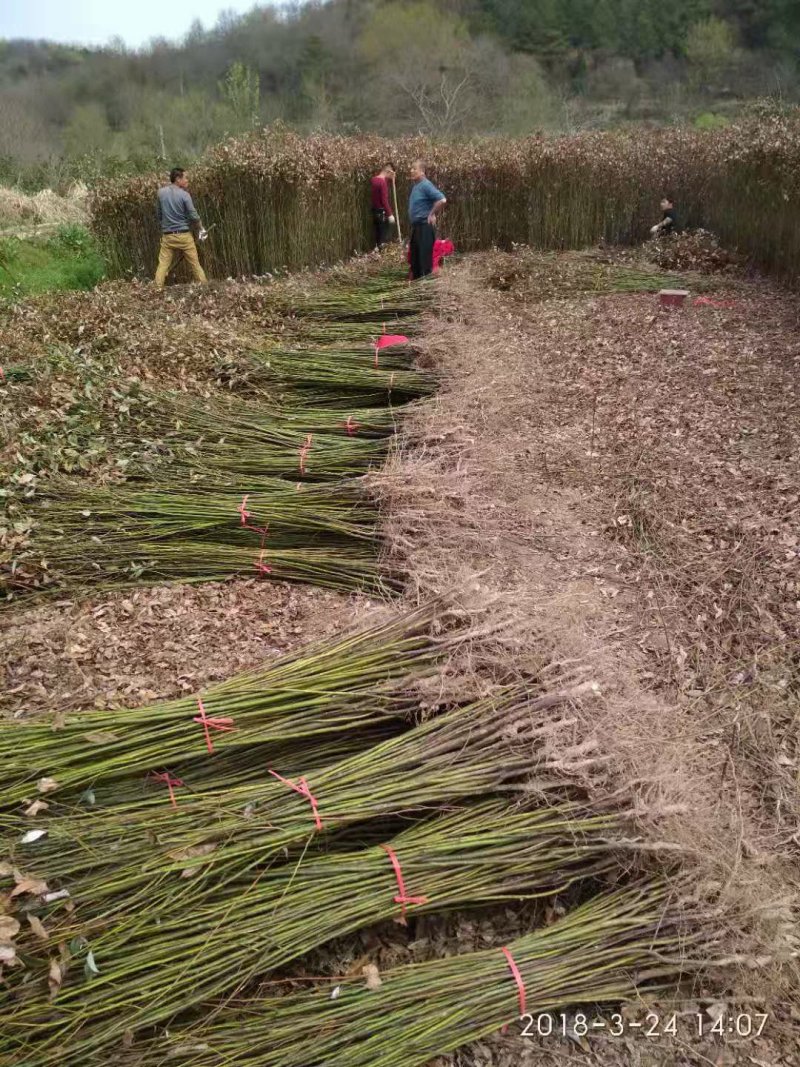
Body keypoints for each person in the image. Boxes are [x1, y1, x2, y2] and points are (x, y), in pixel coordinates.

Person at [155, 168, 208, 287]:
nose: (187, 180)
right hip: (184, 236)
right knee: (195, 264)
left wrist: (164, 228)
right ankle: (204, 287)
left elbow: (158, 215)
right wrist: (201, 228)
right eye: (185, 178)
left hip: (168, 237)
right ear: (178, 179)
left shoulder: (161, 193)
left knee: (163, 265)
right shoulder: (185, 195)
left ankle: (156, 290)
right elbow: (193, 215)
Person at [408, 160, 447, 280]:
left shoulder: (426, 185)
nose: (411, 171)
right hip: (417, 228)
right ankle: (417, 288)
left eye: (414, 168)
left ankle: (426, 291)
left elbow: (442, 199)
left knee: (424, 262)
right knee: (415, 261)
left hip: (424, 228)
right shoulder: (416, 186)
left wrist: (431, 214)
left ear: (422, 171)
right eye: (411, 168)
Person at [370, 164, 396, 249]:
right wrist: (390, 214)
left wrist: (392, 179)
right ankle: (382, 254)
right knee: (382, 236)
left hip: (374, 211)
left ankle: (377, 250)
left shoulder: (373, 180)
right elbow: (384, 200)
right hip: (382, 212)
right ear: (388, 171)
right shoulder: (383, 182)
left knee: (377, 234)